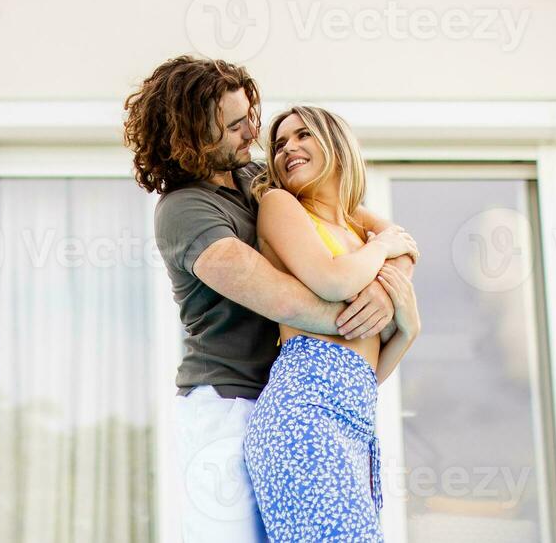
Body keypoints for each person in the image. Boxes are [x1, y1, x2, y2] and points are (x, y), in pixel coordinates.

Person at [123, 55, 418, 542]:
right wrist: (373, 318)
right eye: (237, 125)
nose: (253, 133)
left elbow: (379, 230)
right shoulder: (184, 211)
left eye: (251, 117)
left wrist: (391, 289)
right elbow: (286, 302)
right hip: (228, 405)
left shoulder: (257, 178)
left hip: (298, 395)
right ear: (194, 137)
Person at [241, 105, 422, 542]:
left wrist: (408, 332)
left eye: (304, 135)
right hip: (303, 417)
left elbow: (363, 371)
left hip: (355, 424)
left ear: (336, 144)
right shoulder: (281, 205)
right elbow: (330, 279)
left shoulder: (358, 231)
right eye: (280, 143)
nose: (289, 149)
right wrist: (383, 251)